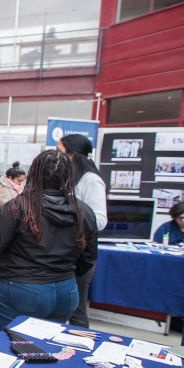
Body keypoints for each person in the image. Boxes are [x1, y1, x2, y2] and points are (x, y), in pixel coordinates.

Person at [0, 149, 98, 349]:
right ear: (67, 177)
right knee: (43, 350)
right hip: (65, 291)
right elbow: (89, 258)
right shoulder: (83, 211)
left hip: (23, 290)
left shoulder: (17, 208)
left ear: (34, 174)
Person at [58, 134, 107, 328]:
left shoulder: (91, 180)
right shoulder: (69, 178)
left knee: (77, 310)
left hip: (80, 254)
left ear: (72, 154)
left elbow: (100, 219)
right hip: (63, 251)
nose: (57, 156)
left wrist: (69, 218)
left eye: (60, 151)